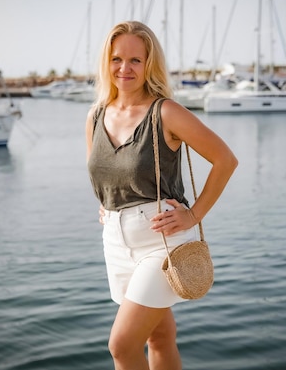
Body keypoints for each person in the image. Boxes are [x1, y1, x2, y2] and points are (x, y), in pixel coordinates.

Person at [86, 20, 238, 370]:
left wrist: (194, 214)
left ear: (149, 64)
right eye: (116, 59)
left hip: (161, 241)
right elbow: (102, 172)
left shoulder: (165, 112)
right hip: (115, 242)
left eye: (135, 60)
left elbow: (225, 160)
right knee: (159, 336)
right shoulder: (94, 117)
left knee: (122, 346)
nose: (124, 68)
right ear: (106, 63)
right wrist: (105, 204)